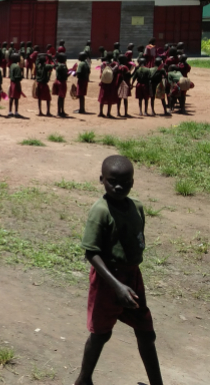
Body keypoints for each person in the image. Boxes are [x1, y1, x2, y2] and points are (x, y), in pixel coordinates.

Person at [74, 155, 163, 385]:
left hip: (132, 277)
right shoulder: (100, 211)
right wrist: (117, 286)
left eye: (125, 182)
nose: (118, 187)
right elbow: (91, 253)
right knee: (101, 334)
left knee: (146, 333)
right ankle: (83, 380)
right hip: (108, 281)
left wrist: (127, 281)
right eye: (112, 181)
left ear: (133, 182)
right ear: (101, 179)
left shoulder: (137, 207)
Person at [8, 52, 23, 117]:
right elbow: (17, 78)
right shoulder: (17, 67)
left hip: (12, 83)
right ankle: (16, 112)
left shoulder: (12, 65)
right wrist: (19, 88)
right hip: (16, 83)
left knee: (11, 97)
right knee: (16, 98)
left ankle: (10, 111)